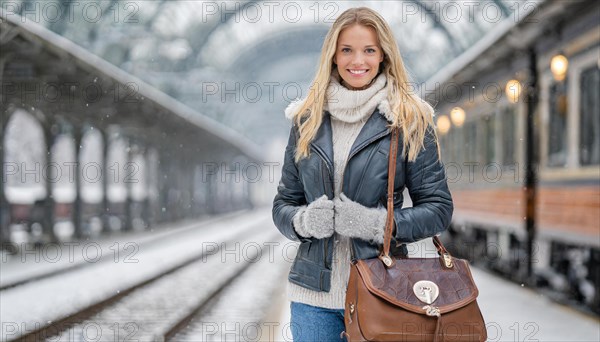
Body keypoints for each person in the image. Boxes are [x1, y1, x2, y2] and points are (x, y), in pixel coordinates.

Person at [272, 7, 453, 342]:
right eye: (347, 50)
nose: (358, 61)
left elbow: (439, 209)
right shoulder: (306, 120)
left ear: (383, 54)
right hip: (314, 300)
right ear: (333, 56)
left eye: (369, 50)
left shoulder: (409, 117)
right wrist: (303, 222)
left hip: (383, 291)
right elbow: (284, 203)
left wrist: (377, 224)